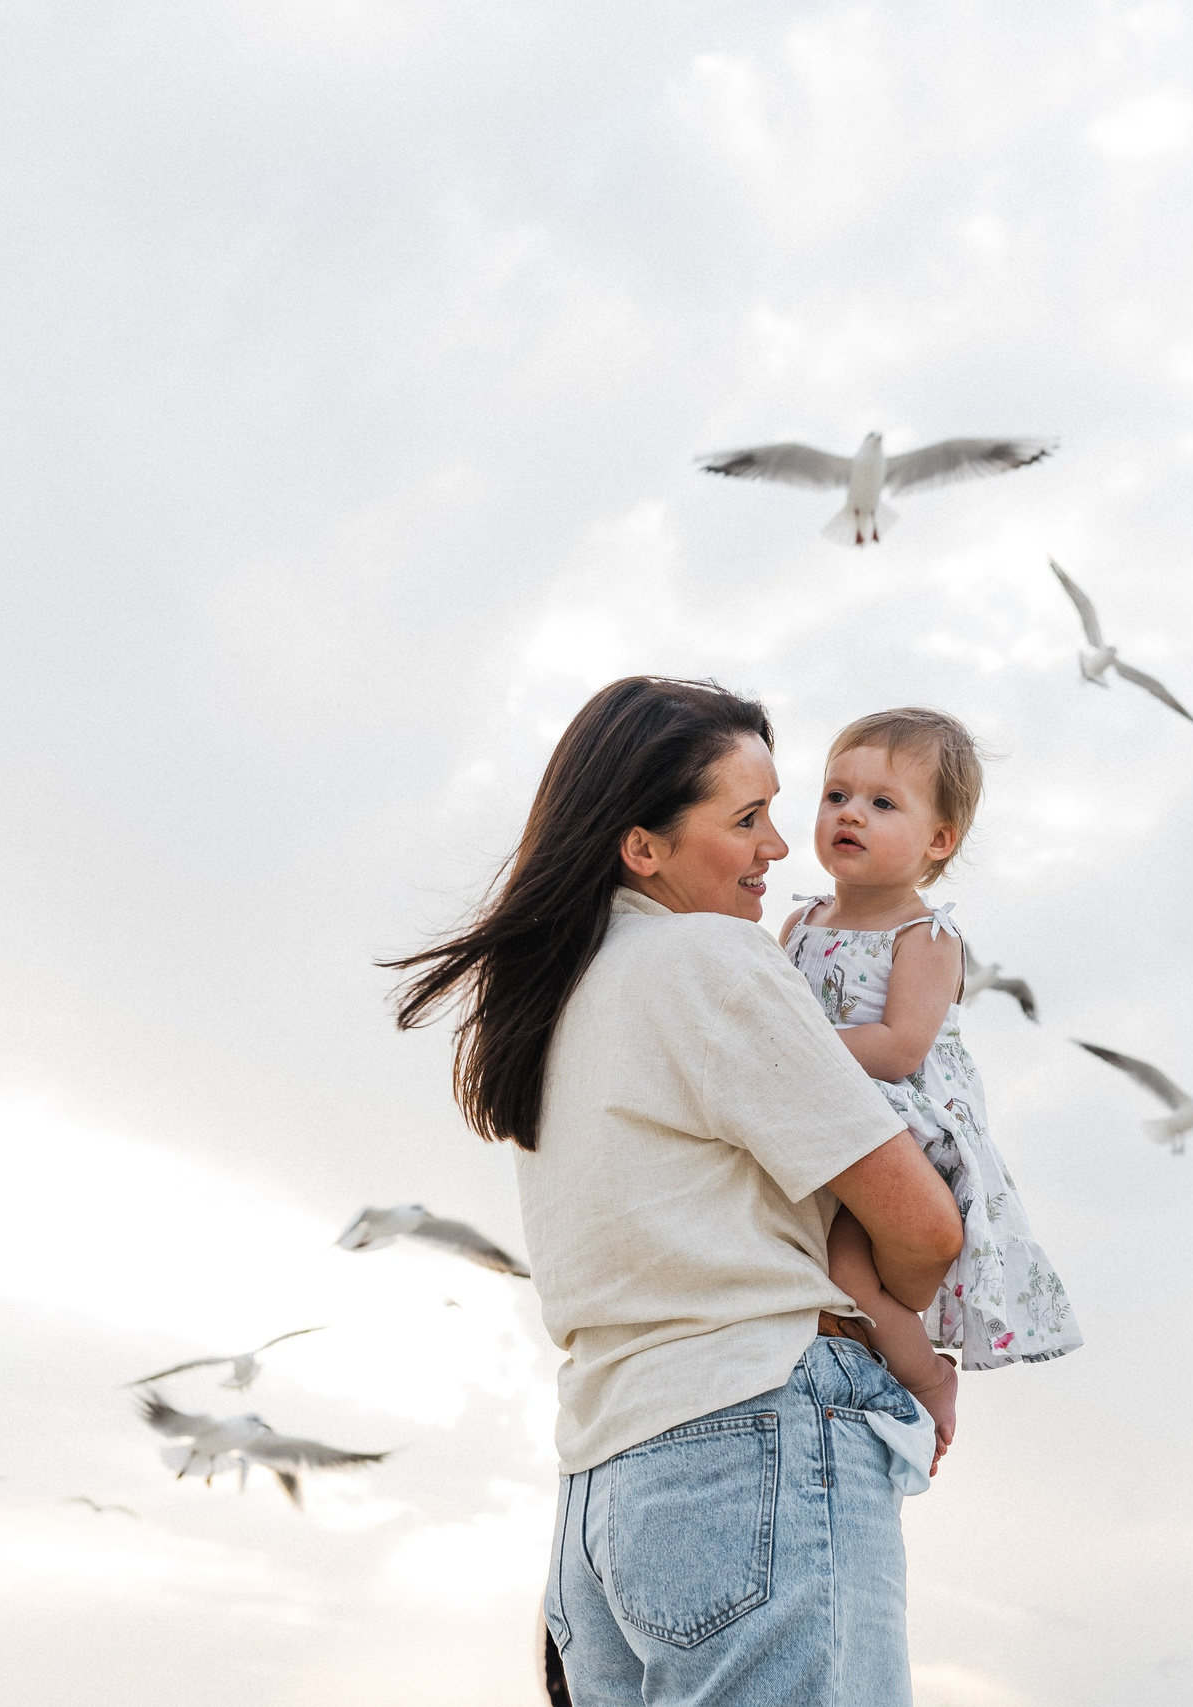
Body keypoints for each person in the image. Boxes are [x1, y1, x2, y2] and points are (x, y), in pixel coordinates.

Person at [388, 676, 963, 1707]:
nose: (779, 849)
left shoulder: (559, 1002)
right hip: (753, 1439)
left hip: (605, 1494)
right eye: (745, 820)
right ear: (641, 846)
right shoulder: (710, 959)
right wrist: (890, 1319)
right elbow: (922, 1222)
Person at [778, 709, 1083, 1472]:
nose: (850, 812)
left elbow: (899, 1047)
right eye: (836, 794)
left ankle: (927, 1376)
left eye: (883, 803)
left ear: (938, 840)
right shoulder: (799, 922)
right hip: (820, 1119)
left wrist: (786, 1057)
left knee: (849, 1271)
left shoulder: (927, 935)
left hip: (901, 1124)